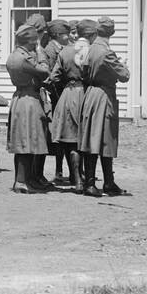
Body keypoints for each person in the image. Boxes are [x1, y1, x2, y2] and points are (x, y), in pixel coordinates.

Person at [78, 16, 132, 197]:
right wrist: (123, 66)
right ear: (112, 33)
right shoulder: (107, 52)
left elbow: (84, 73)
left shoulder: (90, 49)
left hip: (91, 94)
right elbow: (124, 75)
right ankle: (93, 183)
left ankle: (104, 182)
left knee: (95, 138)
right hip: (104, 95)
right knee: (103, 139)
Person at [5, 22, 52, 194]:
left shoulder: (14, 55)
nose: (36, 43)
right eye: (34, 41)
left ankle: (23, 179)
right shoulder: (25, 58)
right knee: (27, 143)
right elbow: (44, 71)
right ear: (29, 41)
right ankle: (21, 181)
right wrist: (40, 54)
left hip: (20, 98)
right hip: (29, 100)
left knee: (23, 143)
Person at [45, 19, 85, 190]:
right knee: (81, 137)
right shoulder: (88, 51)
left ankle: (77, 179)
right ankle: (81, 177)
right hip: (84, 94)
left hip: (67, 95)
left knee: (69, 138)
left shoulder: (65, 52)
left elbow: (54, 77)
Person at [43, 18, 73, 185]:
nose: (68, 36)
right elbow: (51, 77)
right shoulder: (50, 50)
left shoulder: (60, 48)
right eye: (65, 34)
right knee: (59, 135)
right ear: (57, 35)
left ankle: (64, 170)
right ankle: (59, 171)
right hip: (57, 96)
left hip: (62, 95)